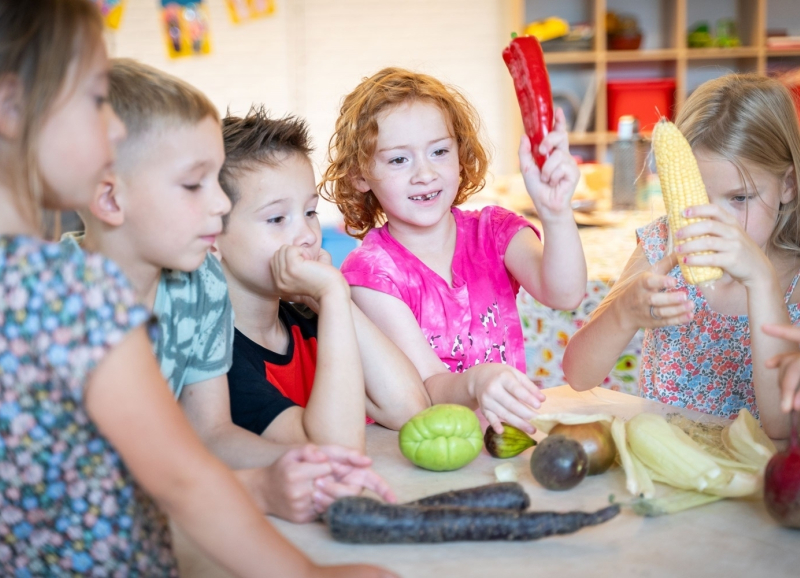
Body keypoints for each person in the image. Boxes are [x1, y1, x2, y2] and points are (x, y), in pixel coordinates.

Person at [0, 1, 396, 576]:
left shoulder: (165, 283)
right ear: (12, 103)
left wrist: (291, 468)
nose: (109, 126)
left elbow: (205, 435)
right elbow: (181, 477)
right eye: (92, 98)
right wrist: (305, 574)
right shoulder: (66, 290)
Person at [66, 58, 395, 522]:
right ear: (110, 198)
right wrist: (255, 488)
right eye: (192, 184)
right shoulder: (47, 296)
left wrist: (303, 471)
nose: (220, 205)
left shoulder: (198, 288)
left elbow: (212, 434)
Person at [320, 67, 587, 435]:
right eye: (399, 159)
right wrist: (478, 382)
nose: (425, 174)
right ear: (360, 176)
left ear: (461, 156)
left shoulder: (493, 231)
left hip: (501, 440)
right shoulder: (371, 274)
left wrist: (556, 212)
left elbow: (565, 292)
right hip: (422, 450)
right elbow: (428, 390)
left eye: (440, 151)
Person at [563, 74, 800, 441]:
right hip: (665, 465)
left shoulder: (794, 279)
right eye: (698, 198)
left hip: (754, 478)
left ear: (787, 185)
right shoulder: (664, 244)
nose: (715, 220)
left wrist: (762, 281)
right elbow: (578, 375)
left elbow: (781, 424)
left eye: (740, 198)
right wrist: (623, 314)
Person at [215, 107, 430, 446]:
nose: (307, 235)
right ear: (211, 235)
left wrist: (331, 300)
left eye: (310, 212)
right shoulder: (216, 354)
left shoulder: (310, 318)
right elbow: (334, 450)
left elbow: (410, 410)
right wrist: (331, 293)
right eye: (276, 219)